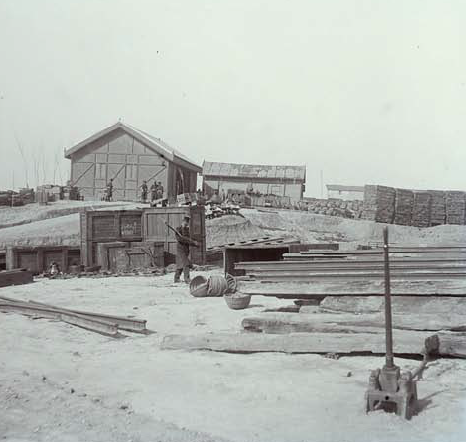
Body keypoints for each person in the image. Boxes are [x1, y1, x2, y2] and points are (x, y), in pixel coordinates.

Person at [174, 216, 198, 283]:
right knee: (186, 263)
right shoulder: (178, 229)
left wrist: (194, 244)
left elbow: (188, 240)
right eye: (185, 222)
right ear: (183, 221)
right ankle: (187, 279)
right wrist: (190, 241)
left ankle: (176, 278)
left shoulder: (187, 230)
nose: (186, 223)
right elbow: (180, 239)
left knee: (181, 263)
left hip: (186, 249)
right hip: (180, 249)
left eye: (187, 222)